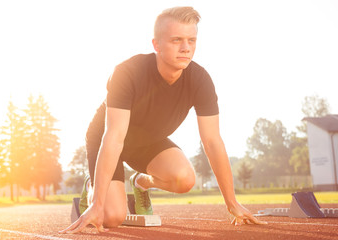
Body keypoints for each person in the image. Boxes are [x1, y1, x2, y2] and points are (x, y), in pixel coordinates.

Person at [60, 6, 267, 234]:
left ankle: (141, 183)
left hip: (148, 141)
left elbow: (212, 142)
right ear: (156, 45)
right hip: (108, 137)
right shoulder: (127, 73)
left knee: (185, 180)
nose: (186, 48)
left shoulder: (200, 80)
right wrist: (98, 202)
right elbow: (114, 137)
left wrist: (232, 203)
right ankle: (93, 187)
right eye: (176, 40)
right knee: (111, 217)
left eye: (191, 40)